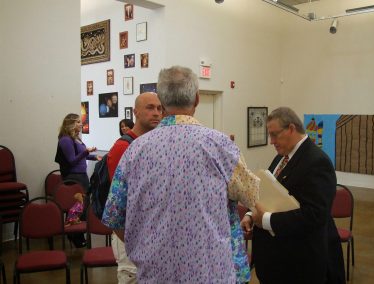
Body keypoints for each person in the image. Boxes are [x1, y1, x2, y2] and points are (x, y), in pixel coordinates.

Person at [102, 66, 259, 283]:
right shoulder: (220, 146)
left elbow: (115, 216)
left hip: (155, 274)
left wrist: (144, 248)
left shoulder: (135, 151)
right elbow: (253, 197)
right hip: (212, 273)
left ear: (163, 103)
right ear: (196, 99)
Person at [241, 107, 345, 284]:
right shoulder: (282, 157)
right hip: (276, 262)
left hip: (298, 265)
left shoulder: (317, 162)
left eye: (275, 135)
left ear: (291, 128)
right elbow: (269, 194)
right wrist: (251, 214)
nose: (271, 141)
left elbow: (315, 215)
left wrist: (264, 220)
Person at [107, 92, 162, 284]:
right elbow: (120, 200)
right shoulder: (123, 147)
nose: (156, 113)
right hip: (129, 233)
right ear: (135, 112)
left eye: (159, 108)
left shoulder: (154, 144)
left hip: (151, 232)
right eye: (150, 108)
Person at [56, 113, 100, 247]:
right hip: (73, 177)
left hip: (81, 175)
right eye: (78, 122)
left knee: (83, 206)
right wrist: (86, 152)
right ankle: (74, 235)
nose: (81, 124)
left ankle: (79, 236)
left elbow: (80, 157)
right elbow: (72, 160)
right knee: (78, 207)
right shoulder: (65, 140)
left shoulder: (76, 139)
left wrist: (94, 157)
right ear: (71, 124)